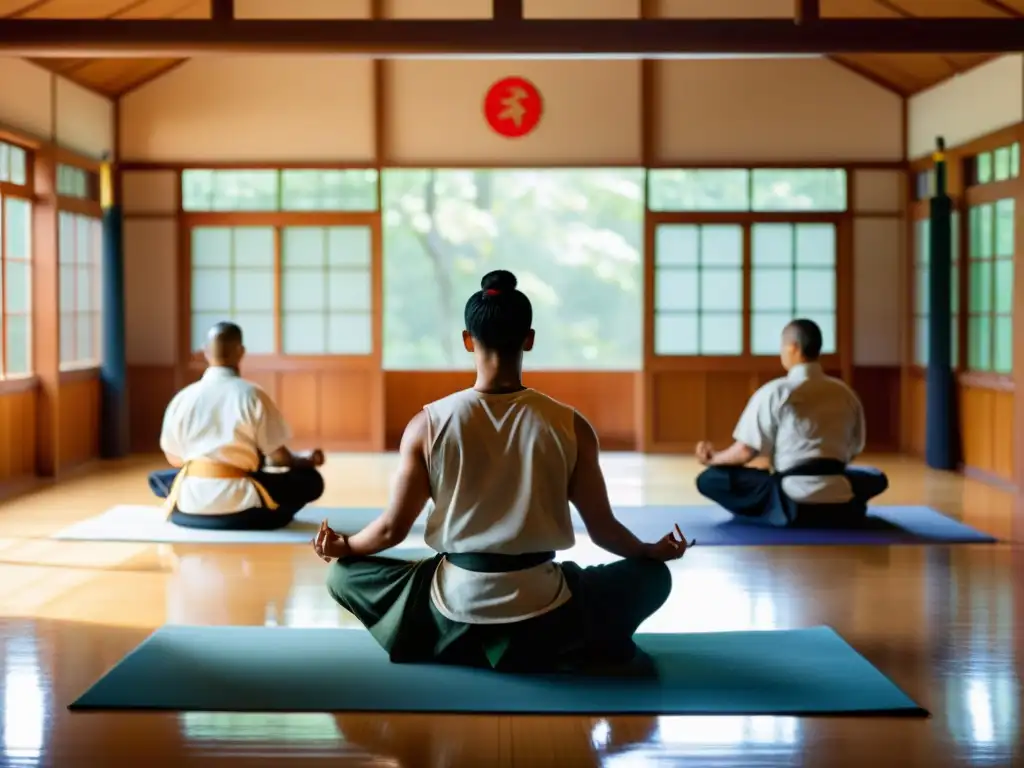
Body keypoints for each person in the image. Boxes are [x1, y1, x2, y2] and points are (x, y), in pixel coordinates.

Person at [312, 270, 690, 672]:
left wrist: (346, 548)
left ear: (467, 339)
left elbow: (391, 531)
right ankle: (555, 646)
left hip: (454, 598)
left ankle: (450, 641)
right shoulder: (570, 424)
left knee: (343, 577)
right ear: (529, 338)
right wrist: (650, 553)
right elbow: (603, 529)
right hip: (544, 602)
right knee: (652, 578)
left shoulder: (428, 424)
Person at [694, 318, 888, 528]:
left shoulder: (776, 391)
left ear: (793, 348)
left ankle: (775, 511)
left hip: (790, 497)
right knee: (876, 477)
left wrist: (713, 458)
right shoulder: (846, 393)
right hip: (839, 491)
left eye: (782, 347)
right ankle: (837, 508)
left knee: (710, 479)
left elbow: (744, 452)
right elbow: (853, 449)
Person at [149, 321, 326, 531]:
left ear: (206, 352)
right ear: (241, 352)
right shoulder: (252, 395)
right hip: (239, 502)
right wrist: (303, 461)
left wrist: (210, 462)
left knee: (160, 478)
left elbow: (174, 458)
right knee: (310, 480)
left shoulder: (183, 397)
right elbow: (280, 458)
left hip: (190, 501)